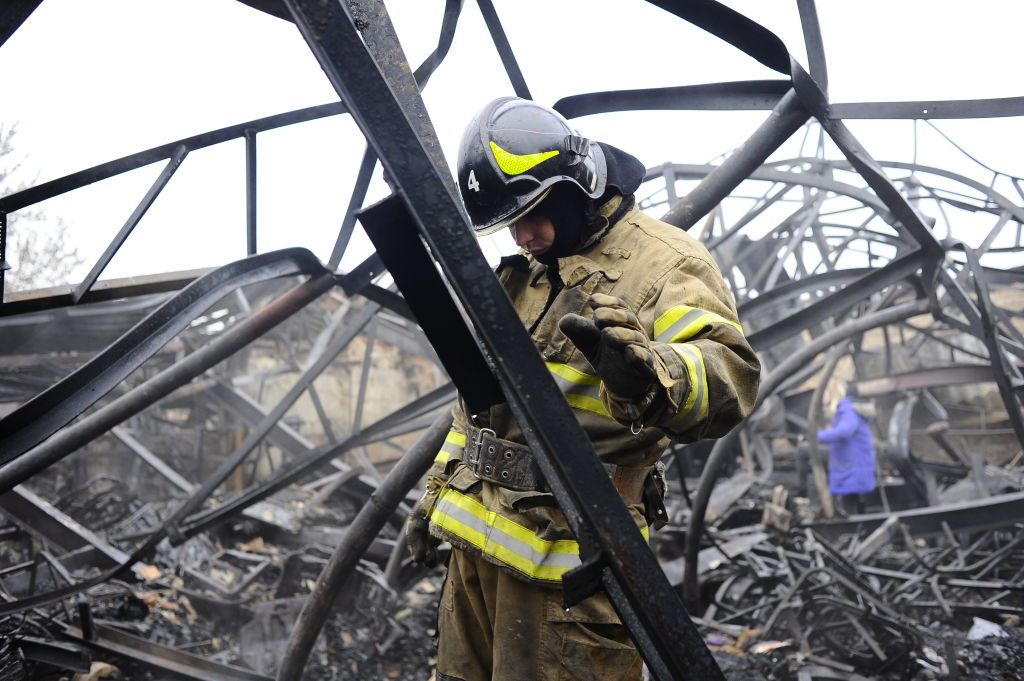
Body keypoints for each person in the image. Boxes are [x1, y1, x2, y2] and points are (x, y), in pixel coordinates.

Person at [405, 97, 760, 681]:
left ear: (579, 184)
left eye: (533, 212)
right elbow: (481, 410)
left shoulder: (665, 265)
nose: (523, 235)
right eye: (510, 222)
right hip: (476, 560)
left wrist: (652, 374)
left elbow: (727, 376)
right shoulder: (532, 269)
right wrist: (438, 489)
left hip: (569, 573)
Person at [818, 384, 877, 515]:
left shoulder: (848, 409)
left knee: (849, 503)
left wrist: (817, 436)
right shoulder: (857, 409)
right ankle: (860, 528)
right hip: (857, 462)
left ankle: (853, 531)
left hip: (851, 464)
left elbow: (844, 431)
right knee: (855, 500)